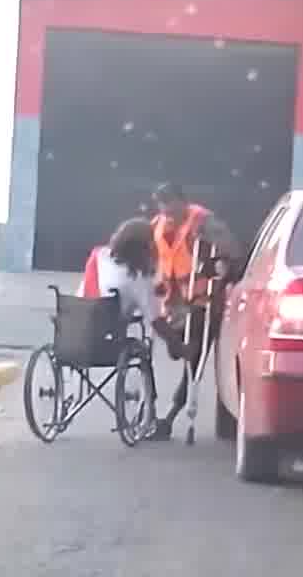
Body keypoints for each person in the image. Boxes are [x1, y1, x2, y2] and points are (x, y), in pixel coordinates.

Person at [146, 183, 242, 440]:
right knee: (177, 350)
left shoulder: (203, 221)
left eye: (170, 204)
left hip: (202, 301)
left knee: (194, 357)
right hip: (173, 302)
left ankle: (172, 415)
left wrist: (218, 265)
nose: (166, 211)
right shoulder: (157, 224)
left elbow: (231, 251)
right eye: (162, 205)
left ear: (181, 202)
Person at [79, 218, 168, 431]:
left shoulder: (98, 256)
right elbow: (155, 319)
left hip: (78, 331)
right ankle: (150, 416)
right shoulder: (138, 277)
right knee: (143, 350)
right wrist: (178, 345)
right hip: (110, 340)